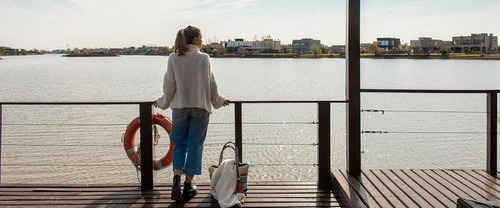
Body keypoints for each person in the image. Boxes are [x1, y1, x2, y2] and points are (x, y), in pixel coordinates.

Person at [154, 25, 229, 201]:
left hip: (180, 108)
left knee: (179, 145)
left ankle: (175, 182)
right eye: (201, 37)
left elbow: (169, 85)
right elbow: (211, 83)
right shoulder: (204, 58)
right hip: (200, 109)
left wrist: (161, 102)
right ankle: (188, 186)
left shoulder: (173, 58)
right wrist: (219, 100)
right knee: (195, 146)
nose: (203, 41)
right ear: (195, 39)